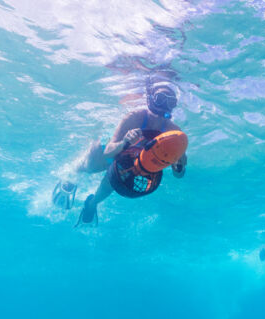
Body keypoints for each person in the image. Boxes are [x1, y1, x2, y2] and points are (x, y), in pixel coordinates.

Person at [53, 76, 188, 226]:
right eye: (160, 98)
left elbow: (179, 175)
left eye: (170, 102)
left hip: (134, 162)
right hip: (118, 150)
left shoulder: (174, 132)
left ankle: (92, 204)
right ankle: (72, 176)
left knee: (113, 180)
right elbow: (108, 152)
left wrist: (179, 165)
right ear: (150, 98)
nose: (164, 105)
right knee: (93, 158)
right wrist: (125, 142)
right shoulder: (134, 117)